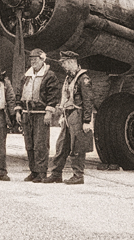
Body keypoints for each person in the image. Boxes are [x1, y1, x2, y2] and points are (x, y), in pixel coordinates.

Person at [46, 50, 95, 184]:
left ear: (72, 62)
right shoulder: (70, 78)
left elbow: (88, 101)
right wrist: (62, 114)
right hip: (68, 115)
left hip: (78, 115)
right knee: (62, 145)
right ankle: (56, 174)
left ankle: (78, 175)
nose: (63, 66)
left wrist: (86, 121)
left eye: (65, 63)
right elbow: (66, 97)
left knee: (77, 147)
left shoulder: (83, 79)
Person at [16, 49, 60, 183]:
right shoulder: (26, 76)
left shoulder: (49, 75)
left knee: (40, 144)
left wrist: (49, 112)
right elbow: (19, 93)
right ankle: (33, 171)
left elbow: (53, 95)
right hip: (27, 113)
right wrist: (18, 110)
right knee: (29, 144)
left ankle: (41, 172)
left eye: (36, 59)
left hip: (41, 114)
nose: (33, 62)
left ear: (43, 60)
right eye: (31, 60)